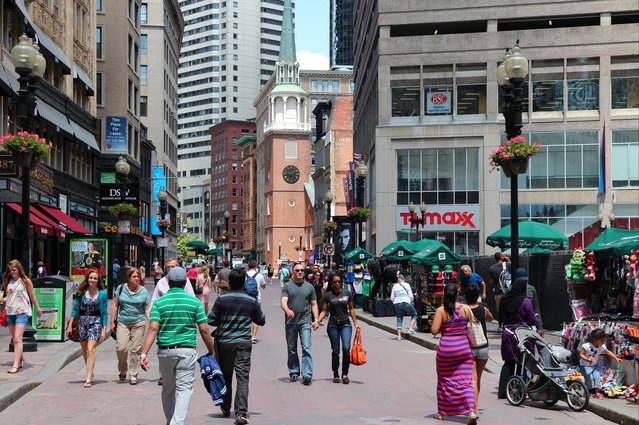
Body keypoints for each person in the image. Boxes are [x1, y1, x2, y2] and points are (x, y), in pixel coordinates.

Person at [140, 267, 215, 425]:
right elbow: (204, 329)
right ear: (185, 282)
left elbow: (153, 328)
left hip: (165, 351)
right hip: (187, 351)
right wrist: (212, 351)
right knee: (184, 389)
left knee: (168, 389)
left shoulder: (160, 303)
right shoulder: (194, 302)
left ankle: (171, 421)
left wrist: (144, 353)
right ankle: (177, 422)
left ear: (168, 282)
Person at [208, 268, 266, 424]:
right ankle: (240, 412)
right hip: (243, 344)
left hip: (225, 343)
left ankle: (226, 407)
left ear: (230, 282)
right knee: (242, 378)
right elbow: (261, 320)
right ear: (244, 283)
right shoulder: (250, 300)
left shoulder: (221, 300)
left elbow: (211, 320)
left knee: (226, 376)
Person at [431, 283, 477, 425]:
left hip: (446, 350)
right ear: (458, 294)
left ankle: (442, 412)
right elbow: (473, 325)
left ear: (445, 294)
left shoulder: (441, 311)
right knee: (466, 382)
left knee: (444, 380)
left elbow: (434, 331)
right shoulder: (465, 309)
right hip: (463, 349)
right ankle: (471, 411)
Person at [497, 276, 540, 399]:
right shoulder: (525, 301)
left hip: (507, 333)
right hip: (522, 334)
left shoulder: (504, 299)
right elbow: (532, 319)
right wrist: (536, 323)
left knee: (509, 362)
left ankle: (503, 391)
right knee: (524, 362)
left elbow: (500, 317)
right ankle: (520, 389)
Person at [66, 269, 108, 388]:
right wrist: (70, 325)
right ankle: (90, 371)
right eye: (90, 278)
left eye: (95, 278)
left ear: (98, 280)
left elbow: (104, 313)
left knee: (91, 349)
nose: (92, 280)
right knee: (85, 351)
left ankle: (88, 378)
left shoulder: (102, 294)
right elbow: (75, 309)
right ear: (87, 279)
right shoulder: (81, 292)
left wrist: (104, 330)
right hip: (82, 322)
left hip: (95, 322)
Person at [280, 262, 320, 385]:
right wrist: (287, 310)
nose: (300, 272)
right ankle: (293, 372)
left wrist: (316, 320)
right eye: (297, 270)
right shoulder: (287, 286)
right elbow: (283, 301)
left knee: (306, 347)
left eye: (302, 270)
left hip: (305, 321)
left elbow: (314, 304)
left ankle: (307, 374)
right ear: (293, 272)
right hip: (291, 322)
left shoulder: (309, 287)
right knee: (292, 349)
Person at [110, 267, 150, 385]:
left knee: (135, 350)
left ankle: (133, 374)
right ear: (128, 278)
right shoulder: (121, 288)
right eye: (134, 276)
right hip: (123, 322)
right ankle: (122, 369)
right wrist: (112, 322)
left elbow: (147, 308)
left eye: (138, 276)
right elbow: (115, 305)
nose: (137, 278)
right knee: (121, 348)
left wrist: (152, 321)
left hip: (139, 322)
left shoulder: (143, 291)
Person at [1, 260, 42, 374]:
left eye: (14, 270)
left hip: (22, 312)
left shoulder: (26, 281)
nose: (12, 272)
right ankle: (21, 358)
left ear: (19, 269)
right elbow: (8, 297)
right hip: (10, 312)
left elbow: (32, 297)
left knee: (18, 339)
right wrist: (2, 299)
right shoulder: (8, 281)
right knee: (15, 339)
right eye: (10, 271)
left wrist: (38, 309)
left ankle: (16, 365)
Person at [317, 273, 358, 384]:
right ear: (331, 283)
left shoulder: (347, 293)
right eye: (335, 282)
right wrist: (317, 321)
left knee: (346, 348)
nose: (337, 284)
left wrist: (355, 323)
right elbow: (324, 311)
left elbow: (352, 309)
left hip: (345, 324)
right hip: (333, 325)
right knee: (335, 351)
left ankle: (345, 373)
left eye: (339, 282)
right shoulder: (328, 295)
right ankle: (335, 373)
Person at [464, 283, 493, 416]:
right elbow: (491, 318)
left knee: (471, 380)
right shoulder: (483, 308)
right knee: (478, 379)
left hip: (469, 348)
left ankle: (472, 408)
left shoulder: (463, 310)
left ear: (465, 296)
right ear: (477, 296)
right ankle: (475, 406)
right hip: (483, 348)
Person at [579, 328, 620, 399]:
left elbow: (608, 352)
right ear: (595, 340)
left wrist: (616, 358)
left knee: (597, 378)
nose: (603, 342)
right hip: (585, 365)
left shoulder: (601, 347)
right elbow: (581, 354)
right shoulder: (587, 346)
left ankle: (597, 392)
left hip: (594, 365)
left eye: (604, 340)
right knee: (589, 378)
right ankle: (588, 392)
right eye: (602, 340)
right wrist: (587, 359)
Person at [388, 266, 417, 340]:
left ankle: (399, 336)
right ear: (404, 279)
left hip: (397, 303)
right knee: (414, 314)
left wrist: (395, 302)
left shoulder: (395, 286)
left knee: (399, 318)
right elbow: (410, 296)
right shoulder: (407, 285)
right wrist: (411, 301)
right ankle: (410, 328)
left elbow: (392, 297)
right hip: (406, 301)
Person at [513, 267, 544, 336]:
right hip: (526, 325)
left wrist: (540, 327)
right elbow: (536, 309)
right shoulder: (531, 289)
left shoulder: (510, 290)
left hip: (517, 325)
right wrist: (540, 327)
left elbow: (536, 309)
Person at [246, 260, 267, 344]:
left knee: (246, 317)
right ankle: (253, 337)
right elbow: (264, 286)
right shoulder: (259, 275)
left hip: (246, 298)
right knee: (256, 317)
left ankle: (246, 335)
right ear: (256, 267)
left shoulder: (244, 275)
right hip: (256, 298)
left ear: (248, 267)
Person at [488, 253, 510, 329]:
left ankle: (500, 326)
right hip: (508, 291)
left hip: (498, 291)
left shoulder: (492, 268)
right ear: (501, 257)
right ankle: (509, 325)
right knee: (509, 308)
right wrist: (508, 260)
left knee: (499, 309)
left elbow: (491, 282)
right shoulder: (507, 265)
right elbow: (514, 270)